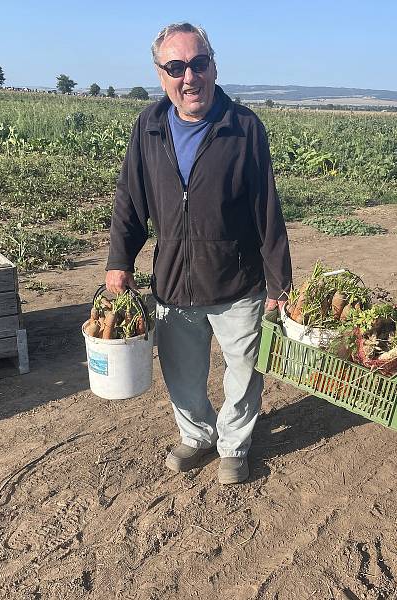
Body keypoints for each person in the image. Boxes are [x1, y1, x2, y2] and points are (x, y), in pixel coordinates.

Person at [105, 23, 292, 485]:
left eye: (198, 64)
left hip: (237, 279)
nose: (190, 77)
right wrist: (118, 261)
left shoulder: (243, 126)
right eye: (176, 67)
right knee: (182, 373)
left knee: (243, 371)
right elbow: (130, 200)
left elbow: (266, 208)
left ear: (213, 65)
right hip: (173, 279)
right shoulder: (148, 126)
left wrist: (278, 284)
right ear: (160, 74)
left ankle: (233, 444)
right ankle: (196, 435)